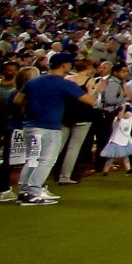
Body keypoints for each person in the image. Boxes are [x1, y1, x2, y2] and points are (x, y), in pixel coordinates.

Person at [15, 52, 93, 206]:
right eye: (69, 64)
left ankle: (24, 191)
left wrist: (36, 106)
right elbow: (90, 100)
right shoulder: (63, 83)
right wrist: (97, 90)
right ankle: (34, 192)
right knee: (46, 160)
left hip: (30, 126)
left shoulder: (35, 81)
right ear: (64, 65)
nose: (71, 66)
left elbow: (17, 100)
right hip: (49, 127)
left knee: (32, 159)